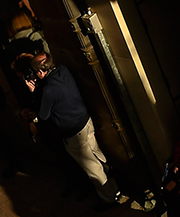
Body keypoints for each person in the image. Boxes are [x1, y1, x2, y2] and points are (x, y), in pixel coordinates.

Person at [28, 54, 116, 202]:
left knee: (91, 167)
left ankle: (110, 197)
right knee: (97, 154)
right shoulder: (63, 70)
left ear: (41, 72)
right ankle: (114, 185)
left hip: (73, 132)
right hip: (85, 120)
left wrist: (35, 93)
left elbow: (43, 115)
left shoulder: (49, 90)